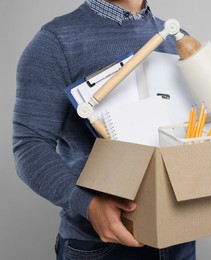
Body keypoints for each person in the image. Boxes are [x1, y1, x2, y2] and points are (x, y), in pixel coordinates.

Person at [13, 0, 196, 259]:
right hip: (102, 245)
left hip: (179, 239)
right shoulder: (54, 42)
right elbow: (29, 145)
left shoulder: (177, 38)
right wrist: (86, 204)